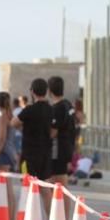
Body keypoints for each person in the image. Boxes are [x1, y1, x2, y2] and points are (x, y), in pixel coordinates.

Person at [12, 78, 53, 211]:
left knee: (28, 188)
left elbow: (13, 123)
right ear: (46, 91)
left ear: (32, 91)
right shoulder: (50, 109)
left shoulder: (29, 109)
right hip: (45, 153)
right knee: (46, 189)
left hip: (29, 155)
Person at [48, 76, 77, 191]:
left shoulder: (57, 108)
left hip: (58, 150)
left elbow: (53, 132)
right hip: (67, 146)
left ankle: (61, 209)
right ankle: (61, 209)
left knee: (58, 185)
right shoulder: (68, 104)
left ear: (49, 90)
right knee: (61, 185)